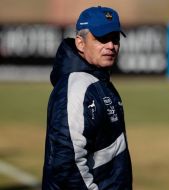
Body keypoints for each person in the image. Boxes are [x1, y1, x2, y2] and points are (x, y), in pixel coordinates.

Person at [42, 6, 132, 190]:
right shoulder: (77, 87)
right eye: (101, 38)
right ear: (80, 43)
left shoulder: (98, 80)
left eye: (114, 39)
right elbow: (65, 165)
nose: (110, 46)